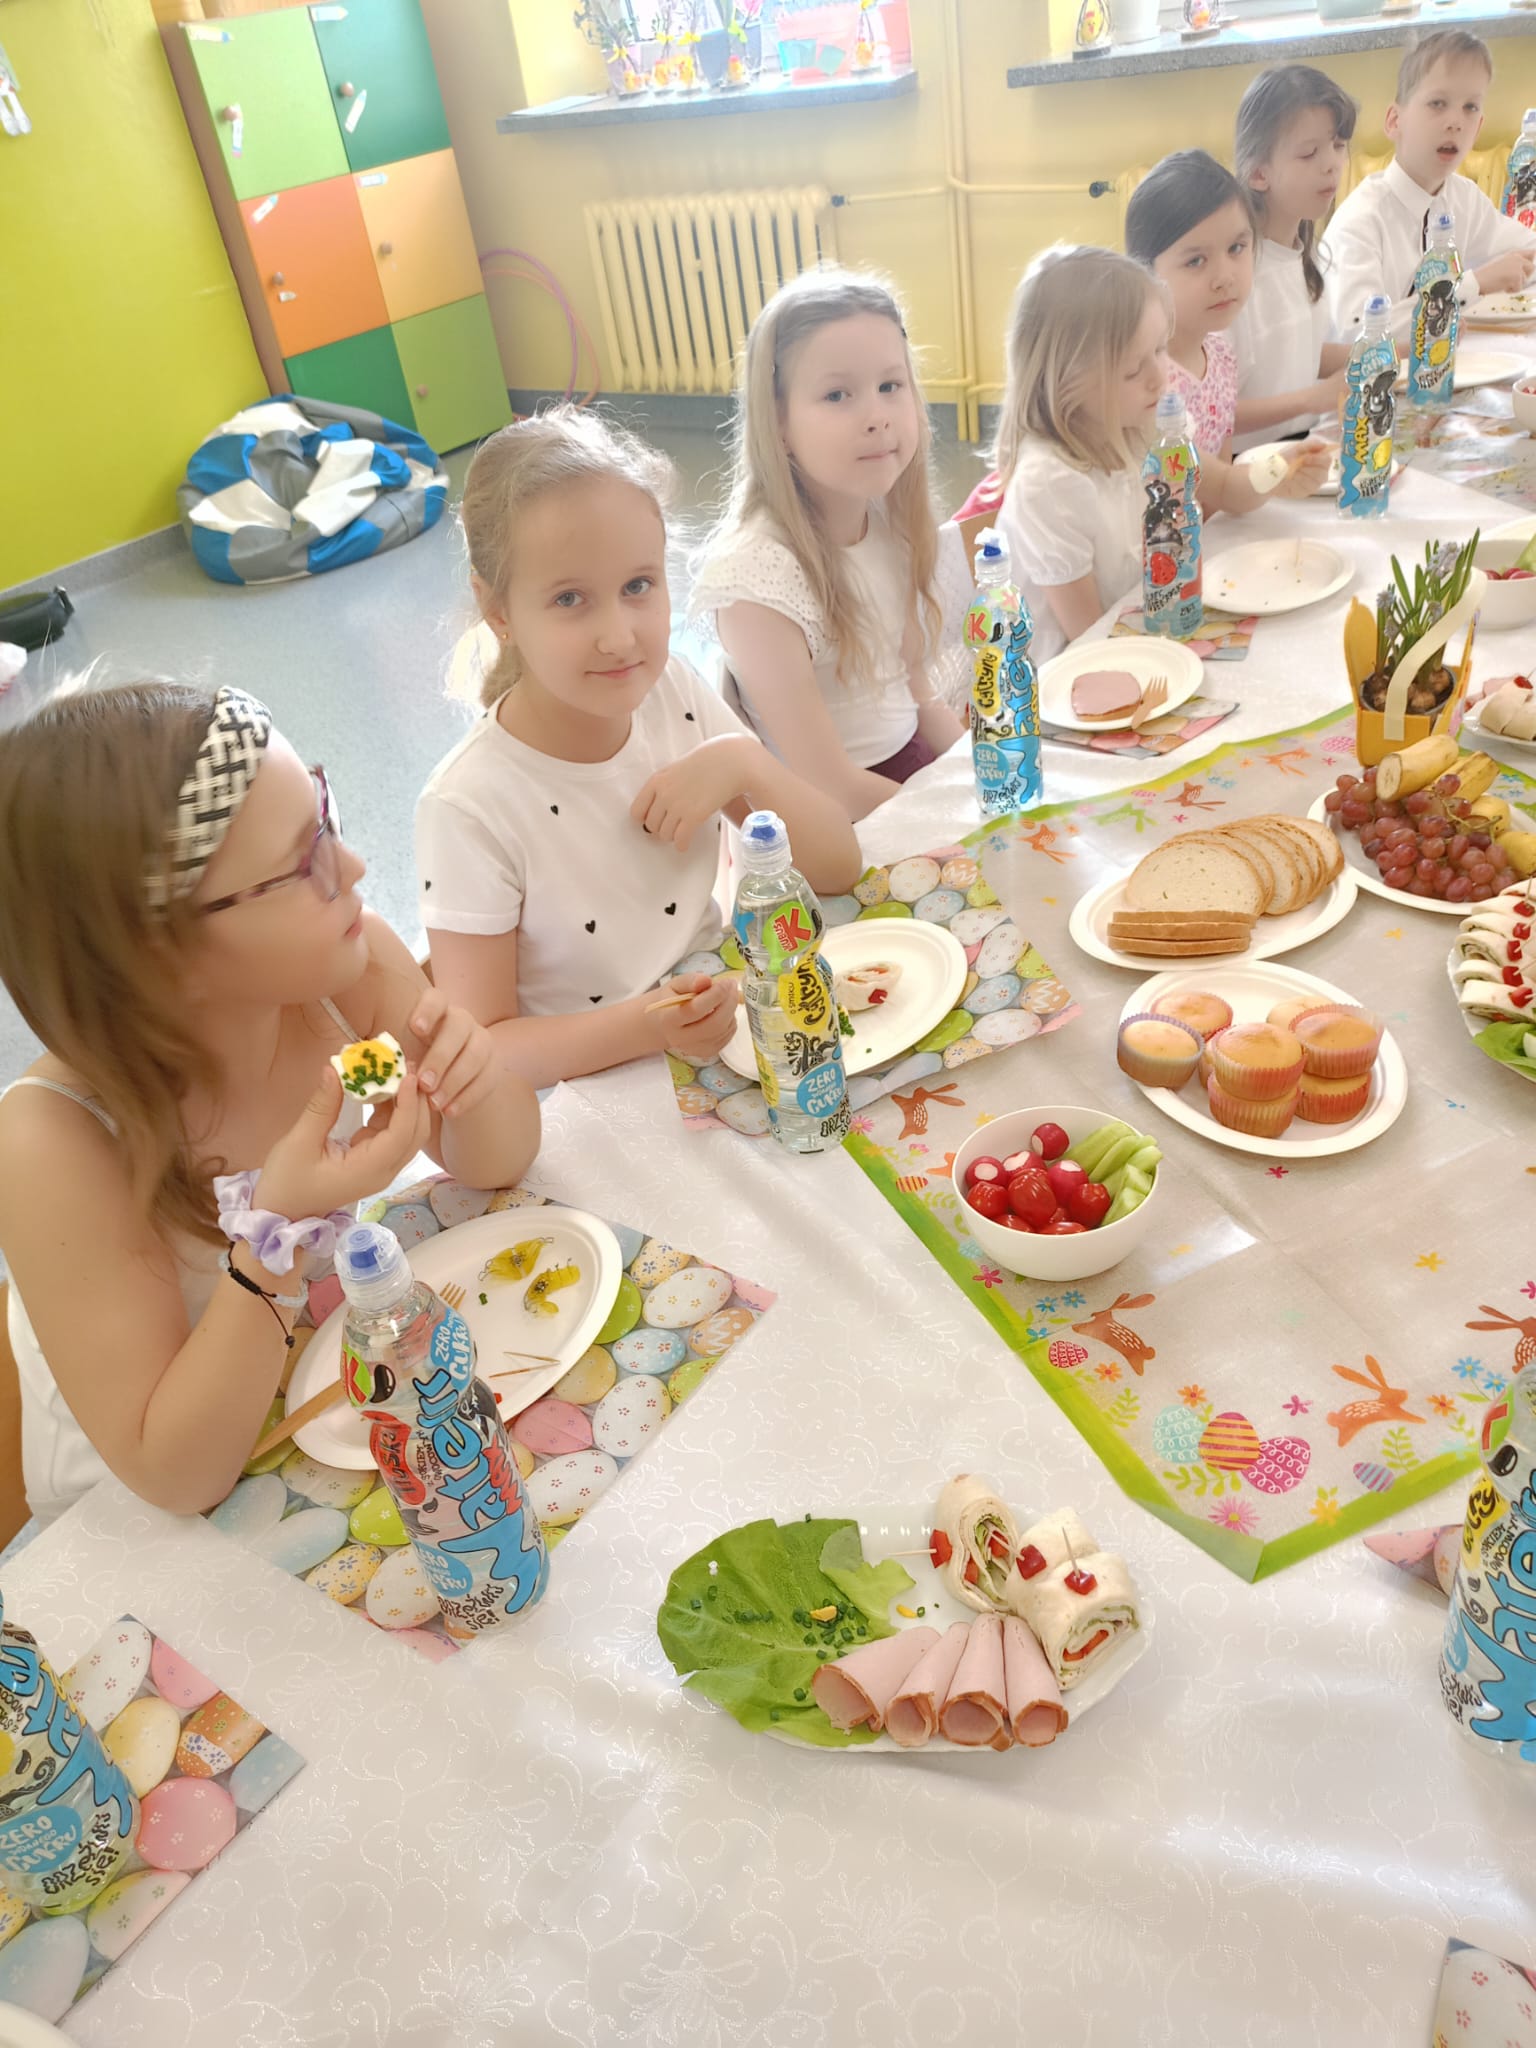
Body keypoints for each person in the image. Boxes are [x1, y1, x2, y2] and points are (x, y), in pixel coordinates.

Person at [0, 680, 541, 1528]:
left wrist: (469, 1079)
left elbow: (497, 1161)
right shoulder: (56, 1141)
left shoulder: (337, 985)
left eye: (324, 817)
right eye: (303, 863)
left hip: (323, 1392)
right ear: (163, 954)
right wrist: (279, 1228)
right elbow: (176, 1474)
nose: (354, 869)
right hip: (150, 1504)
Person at [417, 407, 861, 1089]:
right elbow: (484, 1050)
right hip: (592, 1089)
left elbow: (838, 866)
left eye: (637, 586)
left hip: (718, 1036)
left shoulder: (671, 688)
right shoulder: (467, 806)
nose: (620, 636)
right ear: (498, 610)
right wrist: (648, 1025)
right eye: (570, 599)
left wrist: (743, 763)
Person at [689, 268, 973, 820]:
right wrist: (957, 817)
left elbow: (918, 695)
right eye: (838, 394)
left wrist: (980, 777)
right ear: (779, 424)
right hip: (838, 822)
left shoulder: (888, 518)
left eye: (890, 386)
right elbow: (830, 787)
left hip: (911, 783)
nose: (877, 417)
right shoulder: (757, 580)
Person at [990, 244, 1324, 664]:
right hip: (1070, 671)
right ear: (1063, 382)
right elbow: (1089, 639)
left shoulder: (1146, 427)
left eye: (1160, 350)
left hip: (1140, 626)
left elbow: (1227, 488)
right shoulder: (1050, 484)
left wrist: (1279, 470)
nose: (1159, 376)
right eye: (1133, 369)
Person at [1322, 28, 1536, 343]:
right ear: (1395, 121)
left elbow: (1528, 253)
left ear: (1478, 127)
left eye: (1470, 107)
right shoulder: (1361, 221)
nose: (1455, 122)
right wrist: (1472, 285)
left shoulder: (1463, 198)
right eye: (1437, 103)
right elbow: (1356, 332)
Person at [1231, 64, 1357, 450]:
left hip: (1301, 449)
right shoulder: (1234, 276)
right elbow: (1212, 412)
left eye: (1338, 145)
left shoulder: (1305, 252)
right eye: (1308, 153)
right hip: (1247, 468)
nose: (1332, 164)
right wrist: (1311, 400)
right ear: (1259, 174)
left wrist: (1388, 353)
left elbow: (1300, 354)